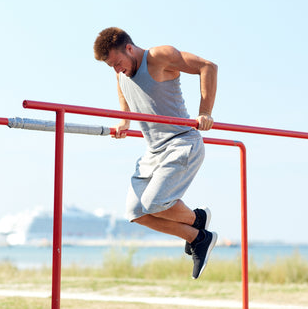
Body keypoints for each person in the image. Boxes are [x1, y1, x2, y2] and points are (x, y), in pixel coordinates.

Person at [93, 27, 218, 279]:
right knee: (135, 212)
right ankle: (198, 236)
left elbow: (208, 67)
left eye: (117, 63)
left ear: (129, 48)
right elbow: (122, 88)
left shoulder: (159, 57)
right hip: (154, 151)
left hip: (182, 142)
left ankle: (197, 218)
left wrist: (204, 111)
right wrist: (125, 120)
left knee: (155, 204)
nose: (117, 70)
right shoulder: (121, 74)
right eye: (111, 67)